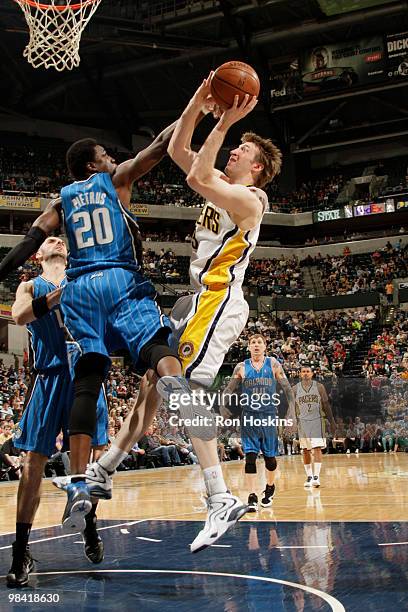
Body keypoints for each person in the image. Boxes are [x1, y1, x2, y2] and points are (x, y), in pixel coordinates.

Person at [0, 123, 187, 535]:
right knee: (151, 344)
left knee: (91, 377)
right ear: (92, 164)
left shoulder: (62, 205)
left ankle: (82, 494)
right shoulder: (110, 183)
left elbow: (31, 240)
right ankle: (172, 377)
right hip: (101, 298)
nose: (111, 158)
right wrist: (197, 108)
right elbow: (157, 147)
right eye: (104, 154)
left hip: (83, 294)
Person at [166, 73, 282, 549]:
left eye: (242, 151)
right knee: (162, 377)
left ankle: (220, 496)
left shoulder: (249, 200)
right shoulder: (219, 182)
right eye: (233, 145)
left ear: (256, 170)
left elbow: (195, 175)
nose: (232, 150)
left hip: (220, 300)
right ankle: (104, 468)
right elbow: (178, 151)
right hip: (199, 300)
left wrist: (228, 118)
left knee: (184, 385)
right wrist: (198, 98)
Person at [6, 237, 109, 587]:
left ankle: (89, 525)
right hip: (49, 378)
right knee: (31, 464)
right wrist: (58, 296)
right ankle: (21, 553)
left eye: (62, 239)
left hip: (85, 376)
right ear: (38, 255)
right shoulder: (30, 284)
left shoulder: (85, 277)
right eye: (50, 238)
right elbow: (19, 316)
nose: (58, 239)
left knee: (91, 464)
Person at [221, 334, 294, 512]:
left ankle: (270, 487)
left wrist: (291, 409)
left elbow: (287, 388)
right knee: (250, 457)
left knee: (270, 459)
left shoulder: (273, 364)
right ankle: (252, 495)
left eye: (259, 342)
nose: (256, 345)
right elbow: (229, 389)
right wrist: (222, 405)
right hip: (249, 417)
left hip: (269, 416)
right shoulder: (241, 367)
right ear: (249, 347)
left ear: (265, 346)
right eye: (252, 343)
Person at [291, 365, 336, 488]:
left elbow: (326, 405)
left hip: (317, 420)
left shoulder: (319, 387)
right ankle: (309, 476)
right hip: (303, 421)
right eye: (303, 372)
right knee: (305, 450)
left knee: (317, 448)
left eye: (308, 372)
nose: (305, 374)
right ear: (300, 374)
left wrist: (331, 421)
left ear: (312, 374)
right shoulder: (295, 389)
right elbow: (291, 407)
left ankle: (316, 476)